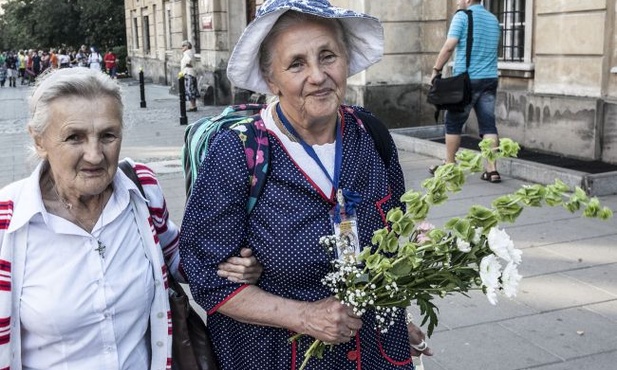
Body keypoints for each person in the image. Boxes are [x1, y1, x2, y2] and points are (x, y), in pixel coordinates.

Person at [179, 0, 433, 369]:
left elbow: (391, 239)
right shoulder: (239, 151)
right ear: (271, 79)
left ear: (345, 60)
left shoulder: (370, 134)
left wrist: (394, 317)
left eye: (327, 56)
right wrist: (304, 316)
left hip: (374, 352)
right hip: (277, 356)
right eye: (296, 63)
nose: (317, 75)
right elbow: (210, 279)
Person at [0, 67, 261, 369]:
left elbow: (177, 259)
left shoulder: (141, 189)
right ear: (39, 140)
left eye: (108, 135)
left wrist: (232, 267)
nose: (95, 155)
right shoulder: (9, 220)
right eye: (74, 137)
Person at [430, 0, 501, 183]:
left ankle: (450, 165)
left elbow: (449, 46)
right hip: (490, 78)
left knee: (453, 122)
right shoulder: (493, 19)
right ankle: (492, 169)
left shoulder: (462, 17)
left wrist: (436, 69)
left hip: (467, 81)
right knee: (488, 125)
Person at [180, 40, 199, 112]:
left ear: (187, 46)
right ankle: (193, 105)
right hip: (191, 73)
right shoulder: (190, 52)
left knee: (189, 89)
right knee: (192, 89)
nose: (181, 48)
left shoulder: (187, 53)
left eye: (183, 46)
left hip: (188, 72)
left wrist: (188, 64)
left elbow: (189, 60)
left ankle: (192, 106)